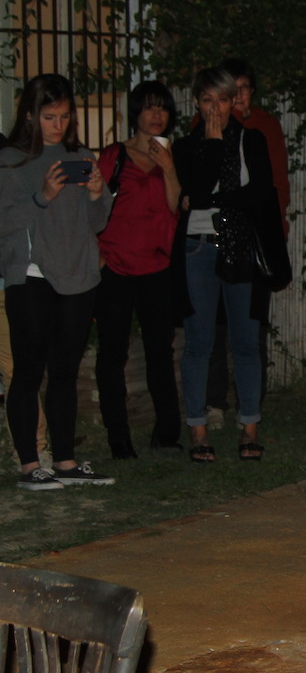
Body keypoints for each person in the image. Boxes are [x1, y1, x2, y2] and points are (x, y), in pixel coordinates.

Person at [0, 74, 114, 490]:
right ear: (30, 115)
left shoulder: (80, 156)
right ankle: (30, 465)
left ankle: (66, 462)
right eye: (49, 117)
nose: (58, 125)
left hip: (78, 274)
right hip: (31, 275)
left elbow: (96, 223)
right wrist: (43, 195)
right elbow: (5, 222)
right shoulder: (11, 159)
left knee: (65, 370)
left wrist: (98, 194)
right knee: (29, 371)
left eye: (64, 116)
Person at [175, 67, 290, 463]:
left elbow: (259, 192)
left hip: (241, 246)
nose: (215, 108)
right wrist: (211, 146)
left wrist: (211, 200)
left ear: (234, 103)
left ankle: (250, 427)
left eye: (222, 100)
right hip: (197, 246)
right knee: (199, 343)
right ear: (196, 103)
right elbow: (194, 186)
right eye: (208, 100)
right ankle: (198, 430)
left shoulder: (251, 140)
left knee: (245, 340)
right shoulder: (186, 146)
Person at [95, 80, 184, 459]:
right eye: (149, 107)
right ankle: (119, 438)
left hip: (158, 267)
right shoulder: (115, 156)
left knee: (160, 352)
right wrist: (99, 257)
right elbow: (91, 206)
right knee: (112, 354)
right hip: (116, 267)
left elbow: (175, 207)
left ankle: (166, 433)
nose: (156, 114)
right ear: (136, 113)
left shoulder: (172, 156)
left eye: (162, 107)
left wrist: (169, 168)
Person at [203, 57, 289, 430]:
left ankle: (250, 403)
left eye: (243, 89)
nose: (237, 97)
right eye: (229, 91)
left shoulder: (264, 127)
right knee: (214, 325)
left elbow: (276, 183)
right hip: (214, 236)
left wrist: (276, 230)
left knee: (251, 325)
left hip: (254, 237)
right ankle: (213, 401)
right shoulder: (204, 127)